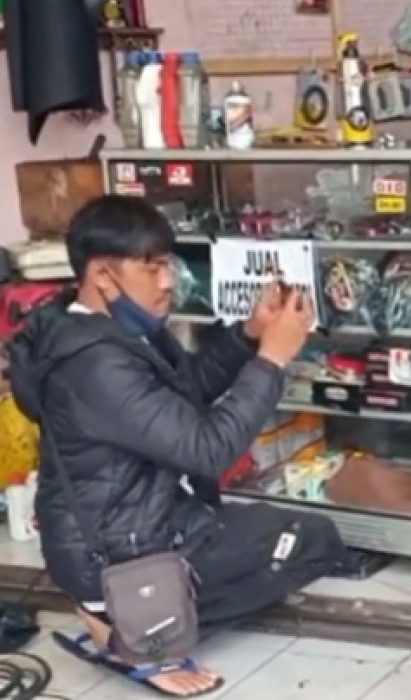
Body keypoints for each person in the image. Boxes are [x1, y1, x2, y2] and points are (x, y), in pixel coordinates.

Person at [7, 195, 352, 698]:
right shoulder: (94, 364)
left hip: (146, 524)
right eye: (153, 268)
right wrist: (273, 360)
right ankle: (140, 633)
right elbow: (208, 448)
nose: (169, 282)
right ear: (104, 275)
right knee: (307, 544)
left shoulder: (105, 329)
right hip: (117, 550)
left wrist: (251, 334)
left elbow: (187, 387)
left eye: (167, 265)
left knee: (311, 534)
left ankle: (126, 613)